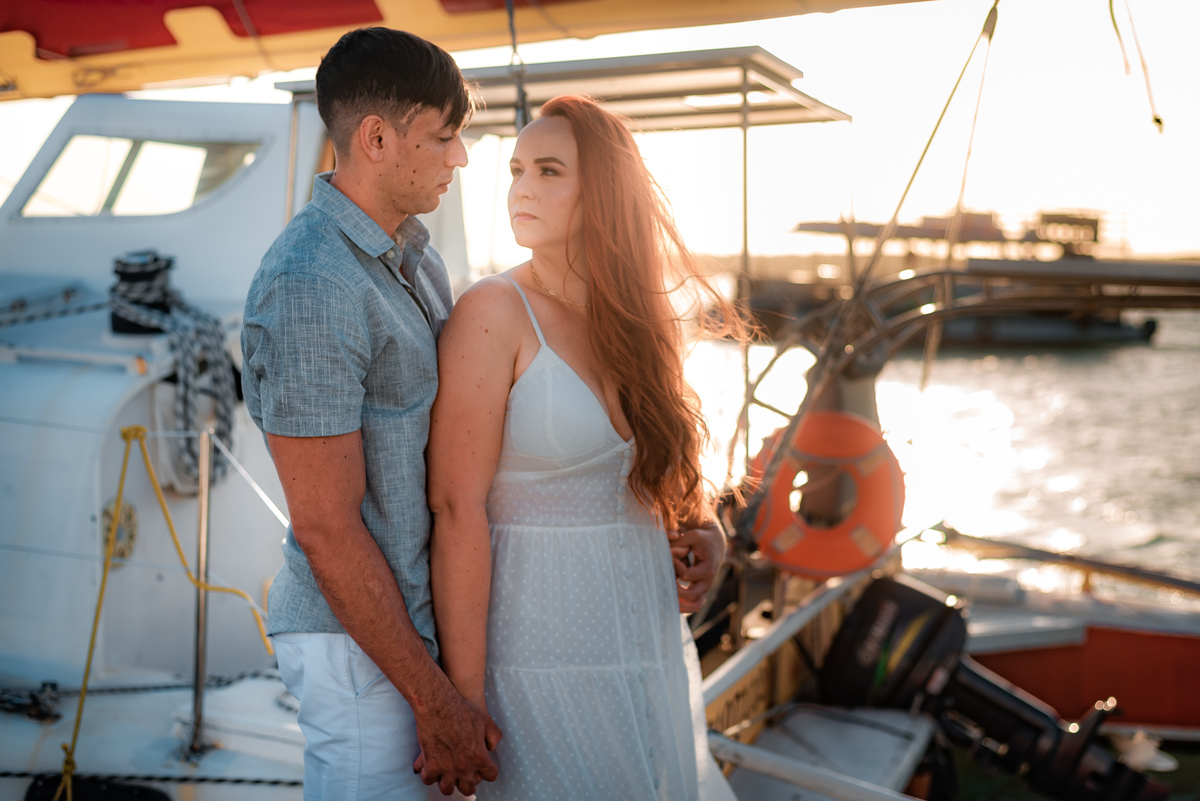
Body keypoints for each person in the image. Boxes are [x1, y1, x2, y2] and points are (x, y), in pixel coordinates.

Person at [426, 94, 738, 800]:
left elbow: (670, 474)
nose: (521, 188)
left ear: (603, 191)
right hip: (534, 653)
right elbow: (454, 507)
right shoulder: (493, 312)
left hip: (642, 643)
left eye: (548, 170)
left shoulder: (642, 319)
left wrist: (708, 527)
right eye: (515, 169)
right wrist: (461, 699)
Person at [241, 28, 501, 799]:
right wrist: (434, 698)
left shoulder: (415, 256)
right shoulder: (311, 281)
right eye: (444, 138)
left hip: (408, 638)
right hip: (360, 654)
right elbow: (324, 524)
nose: (459, 158)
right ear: (378, 138)